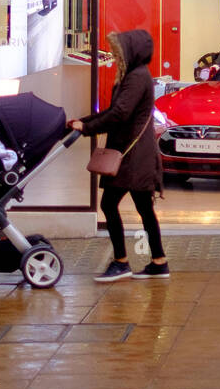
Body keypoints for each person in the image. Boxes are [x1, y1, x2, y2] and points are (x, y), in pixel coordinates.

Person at [69, 29, 168, 282]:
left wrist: (87, 126)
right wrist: (84, 122)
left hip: (132, 156)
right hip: (136, 153)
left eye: (117, 50)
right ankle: (159, 262)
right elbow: (117, 111)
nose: (114, 54)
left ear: (131, 51)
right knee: (144, 208)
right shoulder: (135, 74)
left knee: (109, 204)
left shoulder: (136, 77)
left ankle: (122, 262)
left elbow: (119, 114)